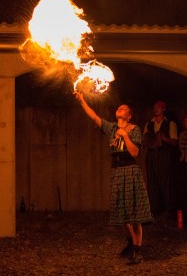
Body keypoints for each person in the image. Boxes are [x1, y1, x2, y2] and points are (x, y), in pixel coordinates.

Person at [74, 91, 153, 265]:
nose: (120, 108)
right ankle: (130, 242)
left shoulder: (134, 129)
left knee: (134, 216)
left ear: (129, 116)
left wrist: (125, 135)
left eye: (124, 108)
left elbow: (135, 152)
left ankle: (137, 251)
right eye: (119, 107)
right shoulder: (111, 128)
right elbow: (94, 117)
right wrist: (82, 100)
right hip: (117, 172)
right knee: (122, 215)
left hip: (130, 171)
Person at [143, 100, 178, 217]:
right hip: (151, 154)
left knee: (165, 181)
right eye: (154, 107)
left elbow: (174, 142)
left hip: (164, 154)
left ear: (163, 109)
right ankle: (154, 209)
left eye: (158, 107)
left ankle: (169, 210)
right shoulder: (149, 124)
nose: (155, 109)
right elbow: (144, 140)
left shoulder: (170, 123)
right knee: (152, 181)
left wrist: (163, 138)